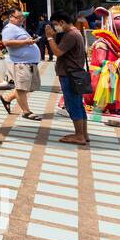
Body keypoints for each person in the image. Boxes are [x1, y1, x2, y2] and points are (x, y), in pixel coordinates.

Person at [46, 12, 89, 145]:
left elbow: (58, 52)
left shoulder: (71, 35)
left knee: (72, 105)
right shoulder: (75, 33)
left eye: (55, 25)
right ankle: (83, 134)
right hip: (74, 74)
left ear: (62, 22)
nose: (55, 28)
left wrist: (49, 38)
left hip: (70, 75)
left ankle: (79, 135)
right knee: (78, 105)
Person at [0, 7, 43, 121]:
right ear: (11, 18)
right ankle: (26, 111)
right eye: (18, 17)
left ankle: (7, 98)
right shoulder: (9, 28)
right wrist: (26, 42)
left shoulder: (18, 27)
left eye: (22, 17)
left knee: (29, 87)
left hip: (29, 62)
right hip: (21, 63)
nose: (21, 19)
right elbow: (6, 42)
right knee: (22, 88)